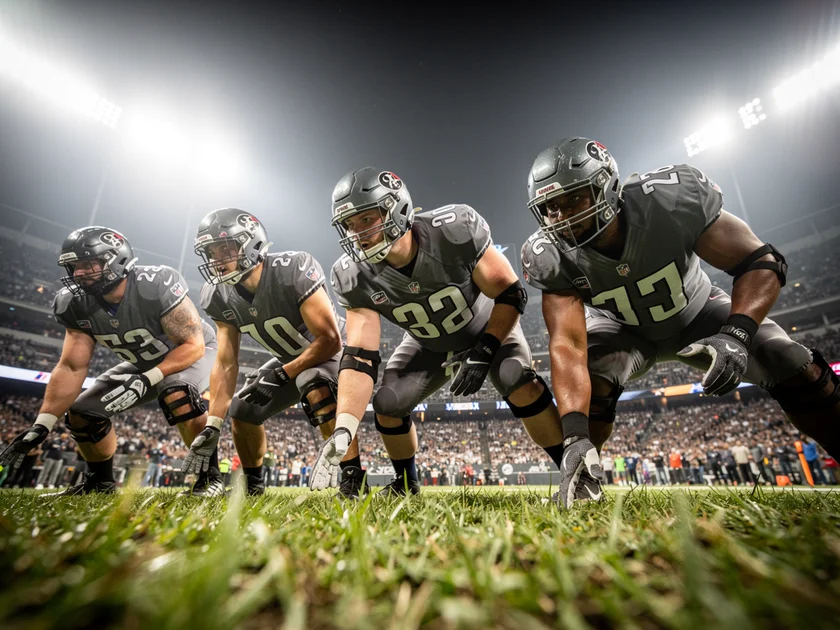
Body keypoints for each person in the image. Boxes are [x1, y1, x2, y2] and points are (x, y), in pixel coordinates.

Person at [520, 137, 840, 475]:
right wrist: (573, 435)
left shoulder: (666, 200)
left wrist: (737, 333)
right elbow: (568, 344)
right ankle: (582, 479)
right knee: (592, 377)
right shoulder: (548, 254)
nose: (562, 216)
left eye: (573, 199)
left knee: (791, 360)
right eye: (551, 207)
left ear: (606, 187)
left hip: (698, 312)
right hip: (618, 331)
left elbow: (760, 261)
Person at [308, 168, 574, 503]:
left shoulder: (453, 231)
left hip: (485, 326)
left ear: (396, 209)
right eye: (349, 224)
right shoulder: (352, 274)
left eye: (366, 219)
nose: (357, 233)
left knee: (516, 376)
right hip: (427, 342)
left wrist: (486, 348)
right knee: (388, 403)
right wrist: (344, 426)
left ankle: (573, 473)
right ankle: (406, 482)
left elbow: (511, 293)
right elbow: (359, 356)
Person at [0, 227, 219, 496]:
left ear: (117, 260)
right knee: (83, 412)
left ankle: (210, 479)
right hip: (144, 362)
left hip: (195, 352)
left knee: (177, 392)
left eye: (88, 264)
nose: (79, 273)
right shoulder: (73, 303)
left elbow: (193, 345)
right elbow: (72, 367)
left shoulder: (155, 283)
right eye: (74, 267)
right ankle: (100, 483)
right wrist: (43, 422)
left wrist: (148, 378)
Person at [186, 208, 365, 498]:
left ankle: (353, 480)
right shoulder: (217, 294)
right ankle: (253, 486)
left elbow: (330, 340)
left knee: (314, 382)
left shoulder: (291, 269)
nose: (216, 259)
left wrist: (281, 374)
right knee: (242, 409)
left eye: (225, 249)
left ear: (251, 243)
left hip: (336, 351)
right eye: (211, 252)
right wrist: (213, 424)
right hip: (290, 359)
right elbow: (226, 362)